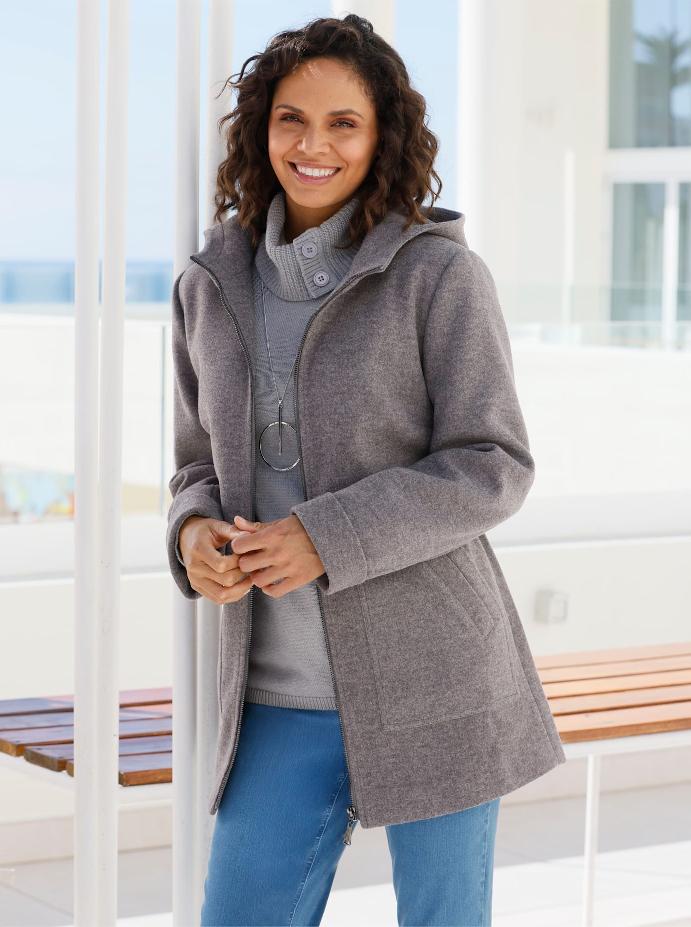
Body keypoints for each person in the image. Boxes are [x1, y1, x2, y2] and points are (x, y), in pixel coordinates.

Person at [167, 13, 566, 927]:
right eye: (291, 119)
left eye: (342, 123)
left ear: (381, 135)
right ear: (260, 129)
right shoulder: (209, 283)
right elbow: (194, 460)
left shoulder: (437, 276)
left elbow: (493, 462)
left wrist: (325, 536)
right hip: (274, 691)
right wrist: (191, 532)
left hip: (435, 678)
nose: (313, 146)